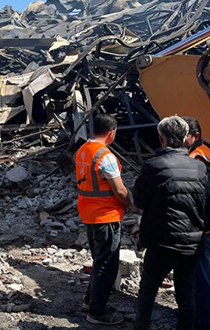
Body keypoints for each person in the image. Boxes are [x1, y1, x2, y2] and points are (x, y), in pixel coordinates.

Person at [133, 116, 208, 330]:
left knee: (148, 289)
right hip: (191, 243)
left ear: (162, 138)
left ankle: (142, 327)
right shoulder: (199, 167)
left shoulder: (154, 165)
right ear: (185, 138)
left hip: (162, 241)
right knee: (185, 291)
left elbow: (139, 201)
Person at [74, 114, 131, 325]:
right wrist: (130, 204)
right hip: (106, 215)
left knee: (99, 260)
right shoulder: (105, 156)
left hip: (89, 213)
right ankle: (97, 312)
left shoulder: (83, 150)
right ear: (111, 132)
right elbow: (120, 190)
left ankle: (90, 301)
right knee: (107, 264)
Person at [183, 117, 210, 330]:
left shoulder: (196, 159)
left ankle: (207, 324)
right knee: (199, 274)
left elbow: (209, 196)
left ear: (196, 136)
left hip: (207, 227)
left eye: (184, 136)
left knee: (201, 278)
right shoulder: (204, 151)